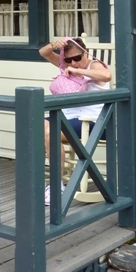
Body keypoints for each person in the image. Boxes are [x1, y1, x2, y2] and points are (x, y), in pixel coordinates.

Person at [39, 36, 111, 205]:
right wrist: (54, 44)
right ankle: (37, 181)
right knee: (34, 127)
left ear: (85, 53)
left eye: (77, 58)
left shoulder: (94, 65)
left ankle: (56, 187)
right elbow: (44, 53)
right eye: (68, 59)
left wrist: (80, 72)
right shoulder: (68, 65)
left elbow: (107, 75)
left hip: (92, 122)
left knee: (50, 132)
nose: (74, 63)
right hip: (67, 119)